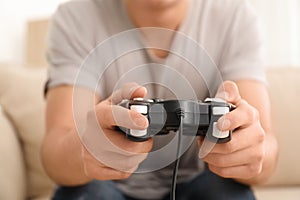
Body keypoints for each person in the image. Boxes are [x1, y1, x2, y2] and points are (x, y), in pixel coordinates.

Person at [41, 0, 278, 199]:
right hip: (104, 185)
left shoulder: (235, 17)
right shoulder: (77, 16)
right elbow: (56, 153)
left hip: (201, 182)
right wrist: (85, 149)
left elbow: (264, 152)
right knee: (87, 193)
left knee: (225, 192)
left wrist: (249, 151)